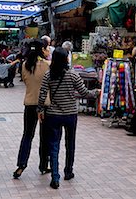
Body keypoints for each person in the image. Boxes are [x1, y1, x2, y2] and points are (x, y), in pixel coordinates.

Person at [37, 47, 94, 189]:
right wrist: (96, 93)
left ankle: (55, 177)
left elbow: (42, 94)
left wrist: (40, 110)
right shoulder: (73, 75)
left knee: (54, 146)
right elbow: (84, 92)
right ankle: (68, 171)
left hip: (53, 115)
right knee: (70, 144)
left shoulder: (48, 75)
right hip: (70, 115)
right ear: (66, 59)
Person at [13, 39, 51, 179]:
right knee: (44, 136)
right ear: (42, 49)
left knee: (27, 135)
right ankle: (43, 165)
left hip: (29, 104)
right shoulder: (48, 65)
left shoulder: (24, 65)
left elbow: (24, 80)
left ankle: (21, 165)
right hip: (45, 105)